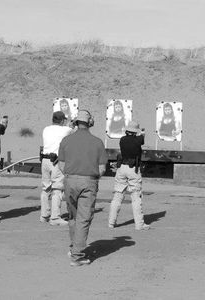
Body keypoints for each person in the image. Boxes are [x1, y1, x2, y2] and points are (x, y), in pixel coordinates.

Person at [58, 110, 108, 266]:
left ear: (75, 122)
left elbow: (61, 165)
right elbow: (102, 168)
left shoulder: (66, 140)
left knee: (73, 217)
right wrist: (91, 178)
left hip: (69, 180)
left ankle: (74, 247)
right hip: (89, 181)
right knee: (83, 219)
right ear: (90, 122)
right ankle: (77, 255)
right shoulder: (98, 142)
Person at [108, 120, 150, 231]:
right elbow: (141, 138)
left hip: (121, 167)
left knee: (118, 195)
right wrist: (141, 132)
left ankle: (111, 222)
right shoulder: (138, 140)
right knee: (136, 196)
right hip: (133, 169)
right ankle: (139, 224)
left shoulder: (122, 140)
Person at [40, 111, 73, 226]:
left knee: (45, 188)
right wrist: (71, 123)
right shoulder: (66, 130)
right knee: (57, 189)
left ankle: (44, 215)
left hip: (44, 161)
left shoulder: (46, 129)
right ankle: (55, 217)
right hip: (56, 162)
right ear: (62, 120)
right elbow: (71, 130)